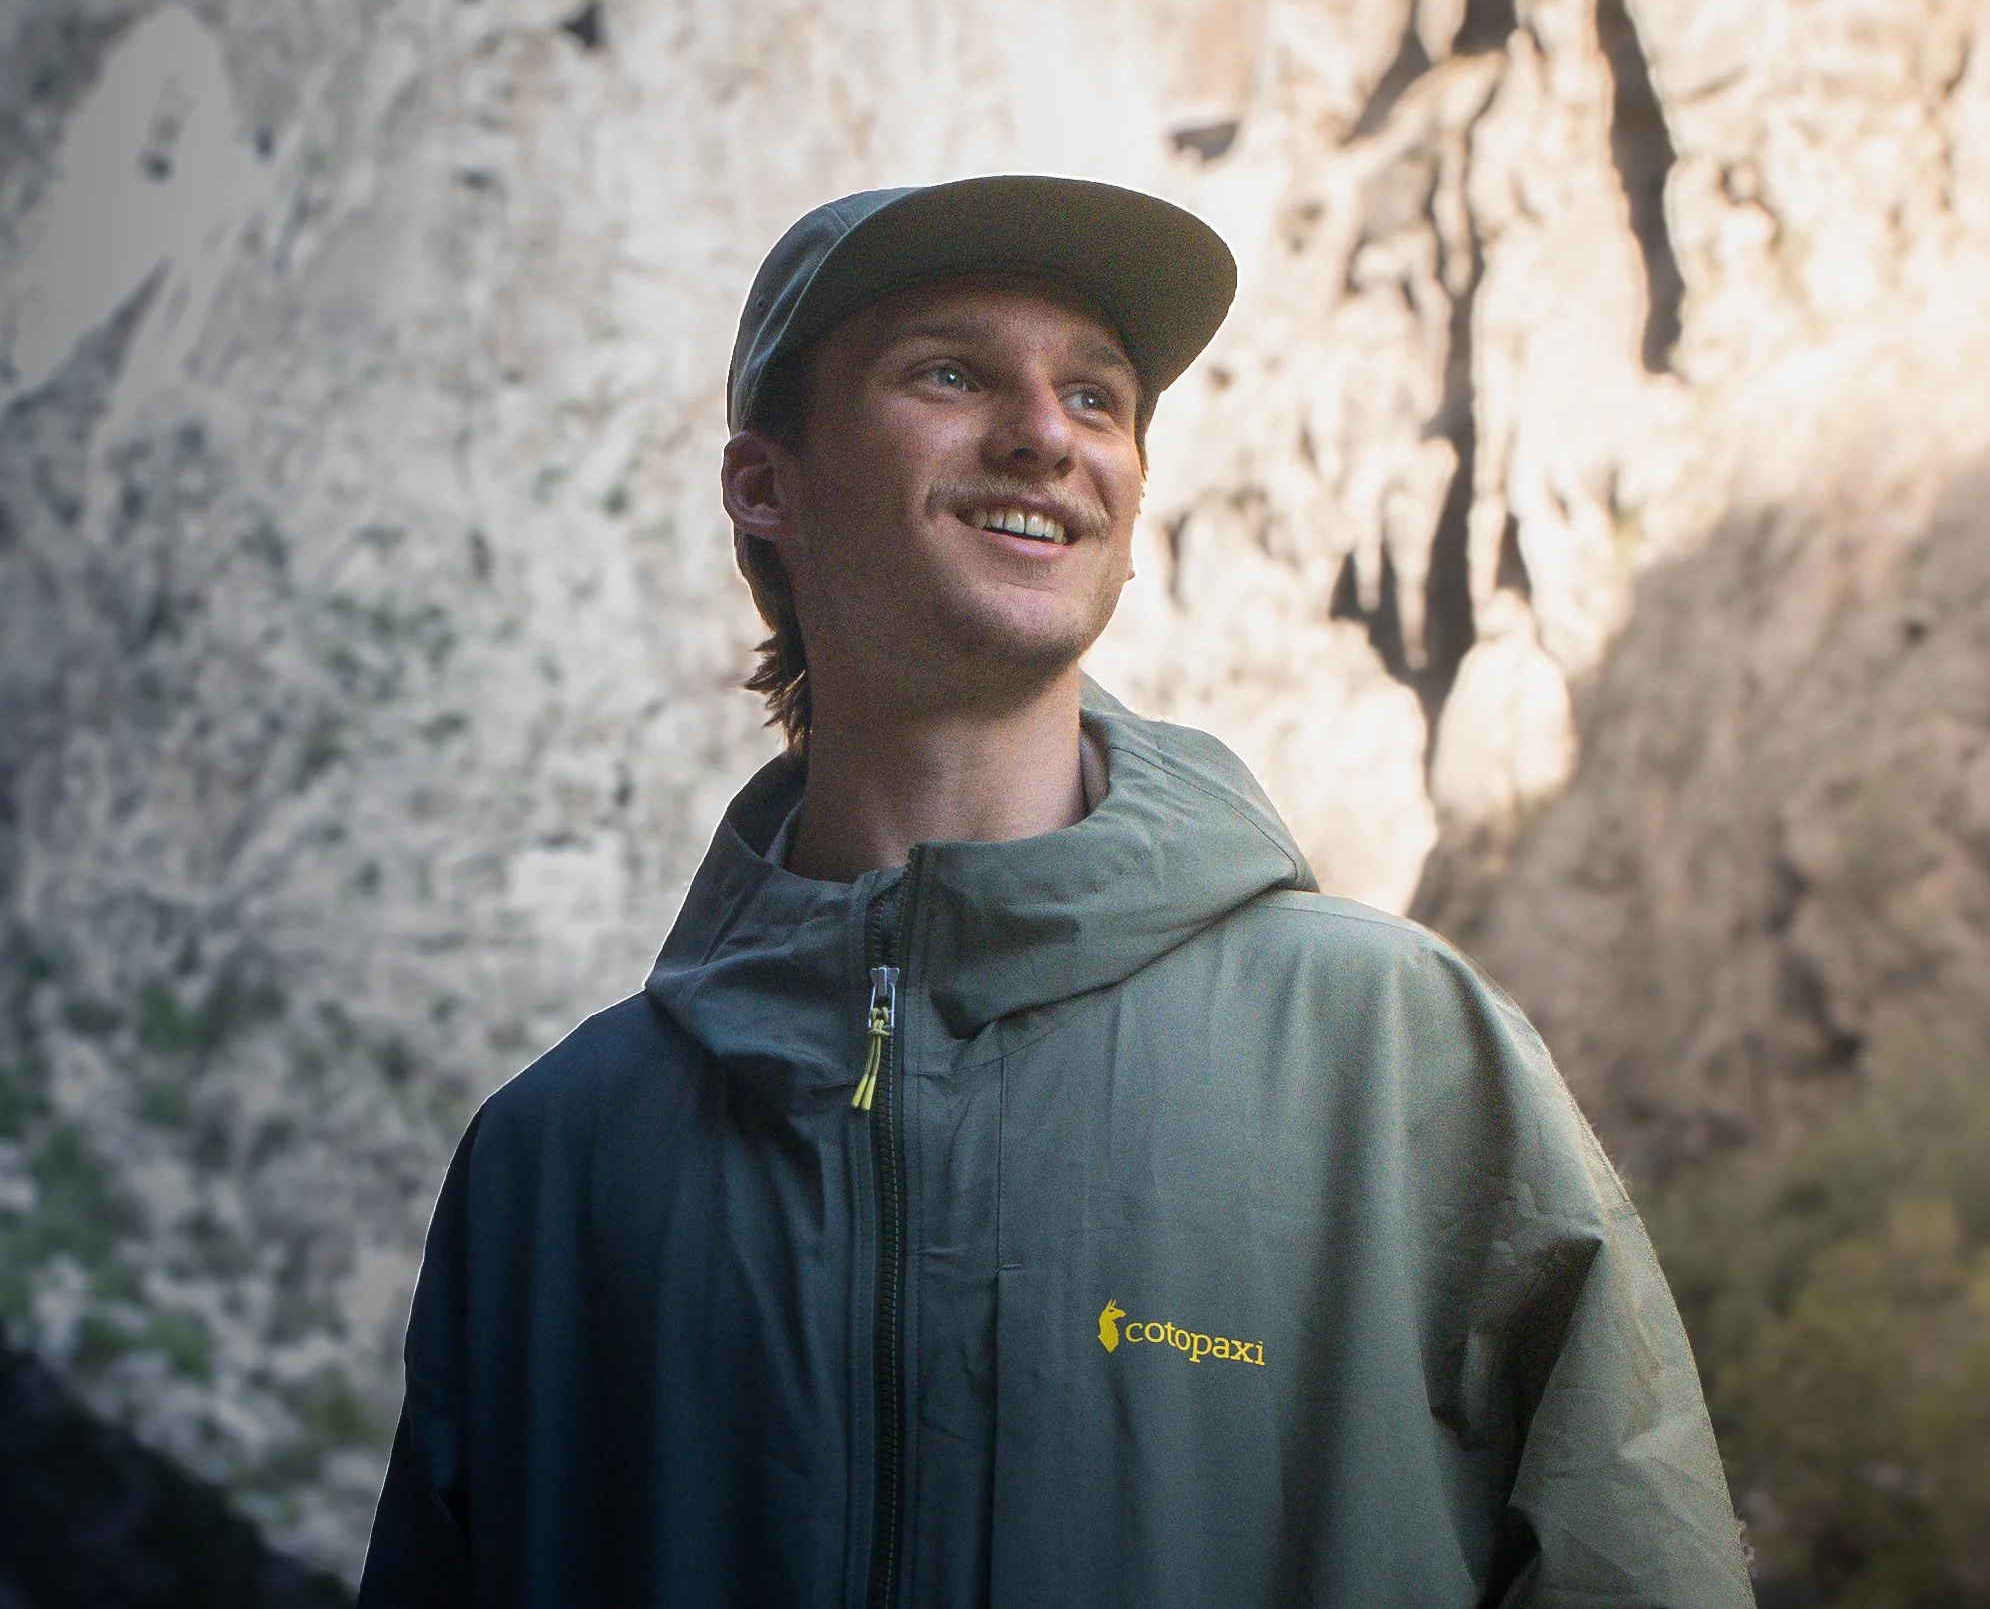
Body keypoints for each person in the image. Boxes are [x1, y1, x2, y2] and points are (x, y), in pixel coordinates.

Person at [357, 176, 1753, 1607]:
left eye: (1095, 398)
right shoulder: (554, 1160)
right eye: (951, 374)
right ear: (762, 485)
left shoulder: (1393, 1051)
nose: (1041, 436)